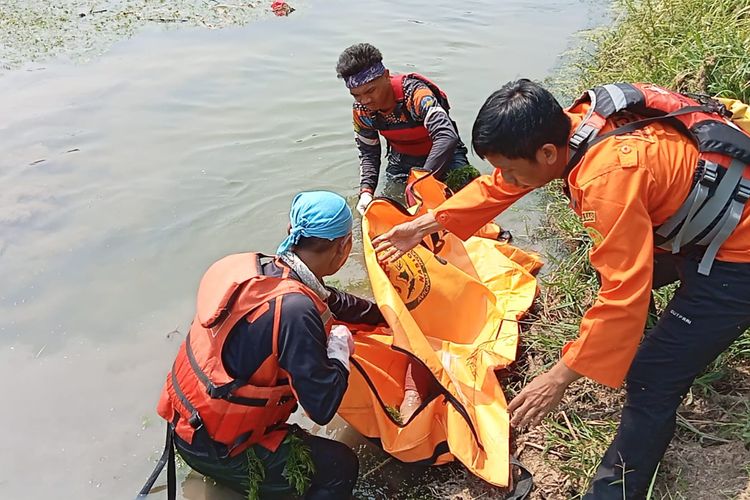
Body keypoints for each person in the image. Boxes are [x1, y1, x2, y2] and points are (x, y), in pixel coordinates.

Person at [371, 79, 750, 498]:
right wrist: (423, 224)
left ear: (548, 154)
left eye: (513, 167)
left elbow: (624, 294)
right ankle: (646, 342)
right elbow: (502, 184)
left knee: (651, 376)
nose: (509, 178)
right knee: (616, 272)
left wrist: (559, 376)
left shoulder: (608, 179)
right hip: (717, 204)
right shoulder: (578, 124)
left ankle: (614, 490)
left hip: (739, 255)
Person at [150, 191, 387, 499]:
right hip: (221, 450)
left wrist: (385, 316)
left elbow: (329, 300)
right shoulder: (296, 312)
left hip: (186, 426)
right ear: (345, 247)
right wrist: (339, 351)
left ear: (292, 232)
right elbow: (322, 407)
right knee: (340, 466)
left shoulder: (258, 271)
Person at [336, 42, 470, 214]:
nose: (365, 100)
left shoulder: (416, 94)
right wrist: (366, 192)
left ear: (385, 76)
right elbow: (369, 153)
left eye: (370, 91)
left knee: (468, 200)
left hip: (446, 156)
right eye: (356, 95)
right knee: (394, 206)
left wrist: (421, 181)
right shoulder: (362, 110)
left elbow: (446, 136)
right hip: (402, 161)